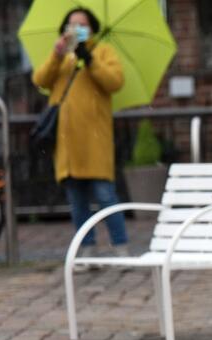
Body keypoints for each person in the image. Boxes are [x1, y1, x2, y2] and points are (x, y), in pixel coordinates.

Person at [32, 8, 129, 261]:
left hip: (94, 141)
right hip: (68, 143)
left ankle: (120, 246)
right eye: (71, 26)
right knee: (77, 201)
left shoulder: (103, 52)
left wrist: (90, 59)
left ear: (92, 30)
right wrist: (57, 54)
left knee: (106, 196)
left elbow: (115, 81)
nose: (75, 30)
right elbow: (41, 80)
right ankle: (86, 249)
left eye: (81, 26)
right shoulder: (63, 58)